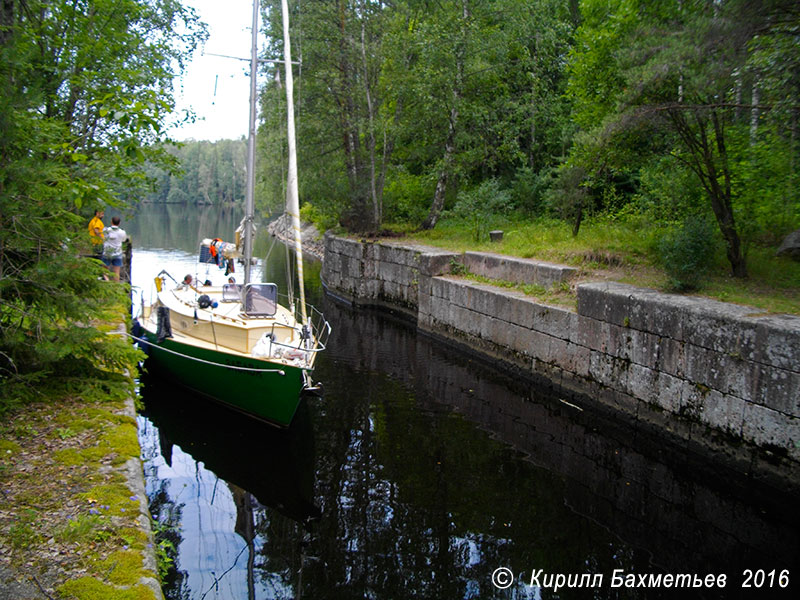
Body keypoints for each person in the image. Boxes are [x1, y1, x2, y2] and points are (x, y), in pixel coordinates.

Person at [102, 216, 129, 282]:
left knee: (105, 270)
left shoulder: (106, 230)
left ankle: (107, 281)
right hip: (117, 253)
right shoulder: (122, 232)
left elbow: (103, 236)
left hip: (107, 253)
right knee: (116, 272)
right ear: (119, 223)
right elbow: (124, 240)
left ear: (111, 222)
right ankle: (116, 285)